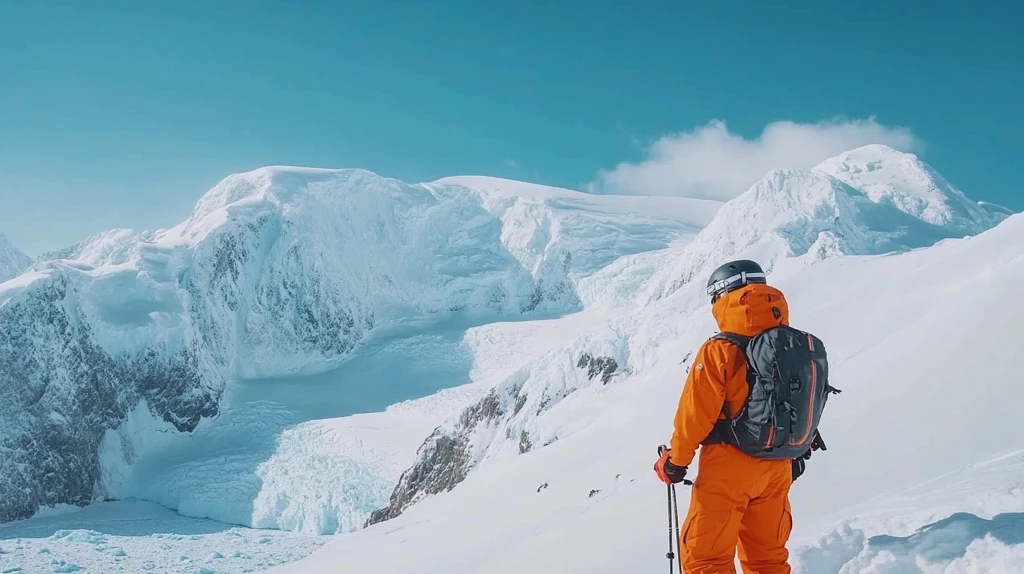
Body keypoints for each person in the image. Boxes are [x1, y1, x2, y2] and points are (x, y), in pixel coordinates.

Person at [653, 259, 824, 574]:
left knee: (706, 560)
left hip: (728, 468)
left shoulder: (720, 348)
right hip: (779, 466)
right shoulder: (792, 343)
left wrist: (676, 461)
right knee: (768, 560)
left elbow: (696, 415)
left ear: (721, 297)